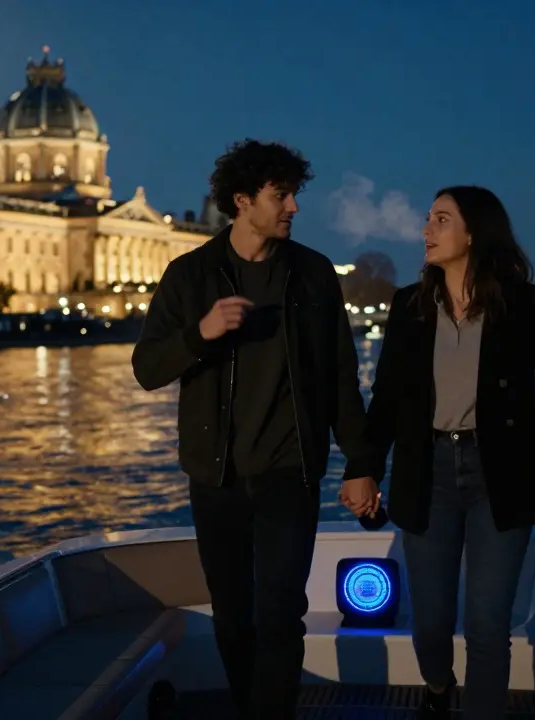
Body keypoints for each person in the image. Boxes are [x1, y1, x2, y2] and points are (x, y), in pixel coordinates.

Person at [131, 139, 380, 718]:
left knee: (279, 612)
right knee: (234, 614)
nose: (293, 206)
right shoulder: (190, 275)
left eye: (294, 194)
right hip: (215, 477)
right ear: (242, 201)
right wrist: (202, 334)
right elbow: (147, 369)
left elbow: (342, 377)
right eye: (281, 195)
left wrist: (363, 464)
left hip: (289, 473)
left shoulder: (314, 275)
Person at [355, 185, 535, 719]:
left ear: (473, 233)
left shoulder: (522, 303)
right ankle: (437, 689)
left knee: (488, 625)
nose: (426, 231)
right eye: (428, 220)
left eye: (441, 220)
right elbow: (387, 398)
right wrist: (363, 470)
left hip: (502, 475)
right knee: (433, 622)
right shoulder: (408, 306)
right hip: (428, 472)